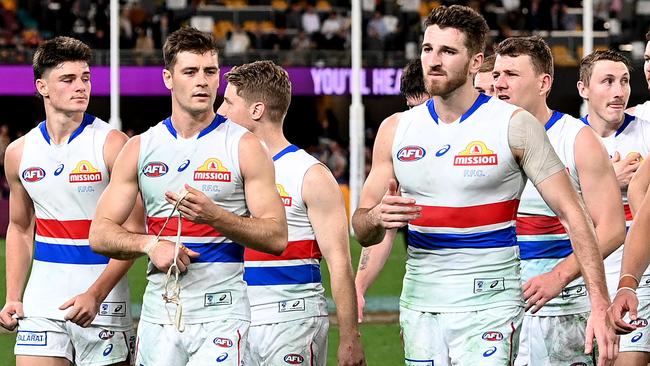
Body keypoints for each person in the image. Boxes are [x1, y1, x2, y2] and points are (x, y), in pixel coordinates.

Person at [351, 5, 617, 365]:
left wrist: (599, 302)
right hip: (420, 304)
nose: (433, 60)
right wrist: (376, 218)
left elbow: (575, 214)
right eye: (428, 49)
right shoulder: (396, 130)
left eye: (448, 51)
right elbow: (363, 228)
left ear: (476, 62)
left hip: (490, 305)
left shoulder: (515, 126)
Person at [88, 27, 288, 365]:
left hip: (223, 314)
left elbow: (276, 236)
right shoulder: (140, 147)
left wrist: (215, 216)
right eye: (190, 72)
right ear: (168, 78)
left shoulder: (245, 146)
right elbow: (100, 232)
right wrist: (150, 245)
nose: (203, 81)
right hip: (159, 313)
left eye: (210, 72)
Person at [217, 60, 365, 366]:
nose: (220, 111)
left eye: (229, 102)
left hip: (293, 321)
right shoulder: (225, 170)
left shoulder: (310, 175)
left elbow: (339, 262)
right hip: (232, 320)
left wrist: (350, 338)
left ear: (256, 110)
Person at [0, 36, 138, 366]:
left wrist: (96, 294)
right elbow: (20, 228)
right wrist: (13, 297)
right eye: (68, 79)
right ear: (42, 87)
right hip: (42, 304)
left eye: (86, 78)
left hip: (104, 306)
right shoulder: (19, 153)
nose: (81, 87)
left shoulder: (112, 145)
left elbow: (133, 231)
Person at [493, 35, 628, 365]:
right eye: (496, 75)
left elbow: (612, 229)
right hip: (492, 308)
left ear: (543, 83)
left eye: (512, 74)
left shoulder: (576, 139)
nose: (499, 83)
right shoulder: (483, 139)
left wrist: (559, 276)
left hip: (561, 309)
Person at [577, 49, 650, 366]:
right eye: (607, 82)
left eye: (624, 81)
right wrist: (605, 183)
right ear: (583, 89)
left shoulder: (647, 131)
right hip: (583, 280)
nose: (618, 91)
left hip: (639, 278)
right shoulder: (567, 138)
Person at [355, 58, 430, 323]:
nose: (418, 118)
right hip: (423, 284)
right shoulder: (397, 133)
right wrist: (359, 287)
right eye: (411, 107)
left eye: (427, 107)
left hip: (490, 278)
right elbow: (378, 223)